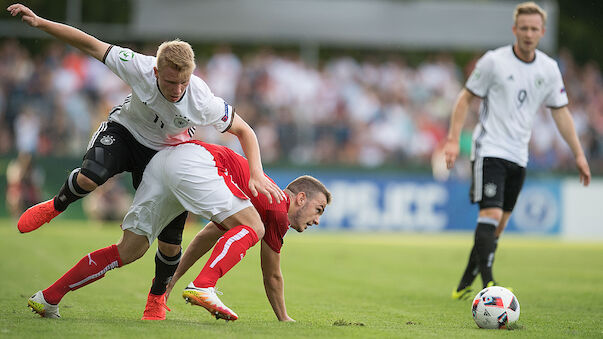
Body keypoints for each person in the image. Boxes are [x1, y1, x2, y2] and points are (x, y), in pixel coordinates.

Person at [8, 3, 284, 321]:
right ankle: (55, 206)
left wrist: (257, 173)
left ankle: (134, 300)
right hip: (127, 132)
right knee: (90, 177)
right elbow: (88, 42)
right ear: (156, 71)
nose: (178, 90)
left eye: (184, 83)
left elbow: (244, 129)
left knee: (154, 247)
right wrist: (42, 23)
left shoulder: (202, 98)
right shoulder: (137, 66)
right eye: (170, 83)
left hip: (163, 158)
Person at [26, 140, 331, 321]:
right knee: (255, 228)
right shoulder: (277, 206)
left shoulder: (249, 204)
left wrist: (171, 285)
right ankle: (204, 286)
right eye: (318, 209)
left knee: (129, 249)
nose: (317, 219)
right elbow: (272, 275)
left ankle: (48, 297)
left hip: (164, 164)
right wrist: (284, 319)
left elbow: (203, 238)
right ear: (300, 198)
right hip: (198, 162)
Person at [444, 1, 591, 300]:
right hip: (490, 148)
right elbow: (464, 99)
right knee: (490, 213)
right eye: (523, 28)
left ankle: (465, 282)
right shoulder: (494, 62)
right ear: (514, 29)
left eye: (533, 29)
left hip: (519, 154)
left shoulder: (548, 68)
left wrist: (577, 153)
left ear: (542, 32)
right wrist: (452, 139)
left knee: (498, 225)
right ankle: (489, 286)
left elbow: (560, 113)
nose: (528, 33)